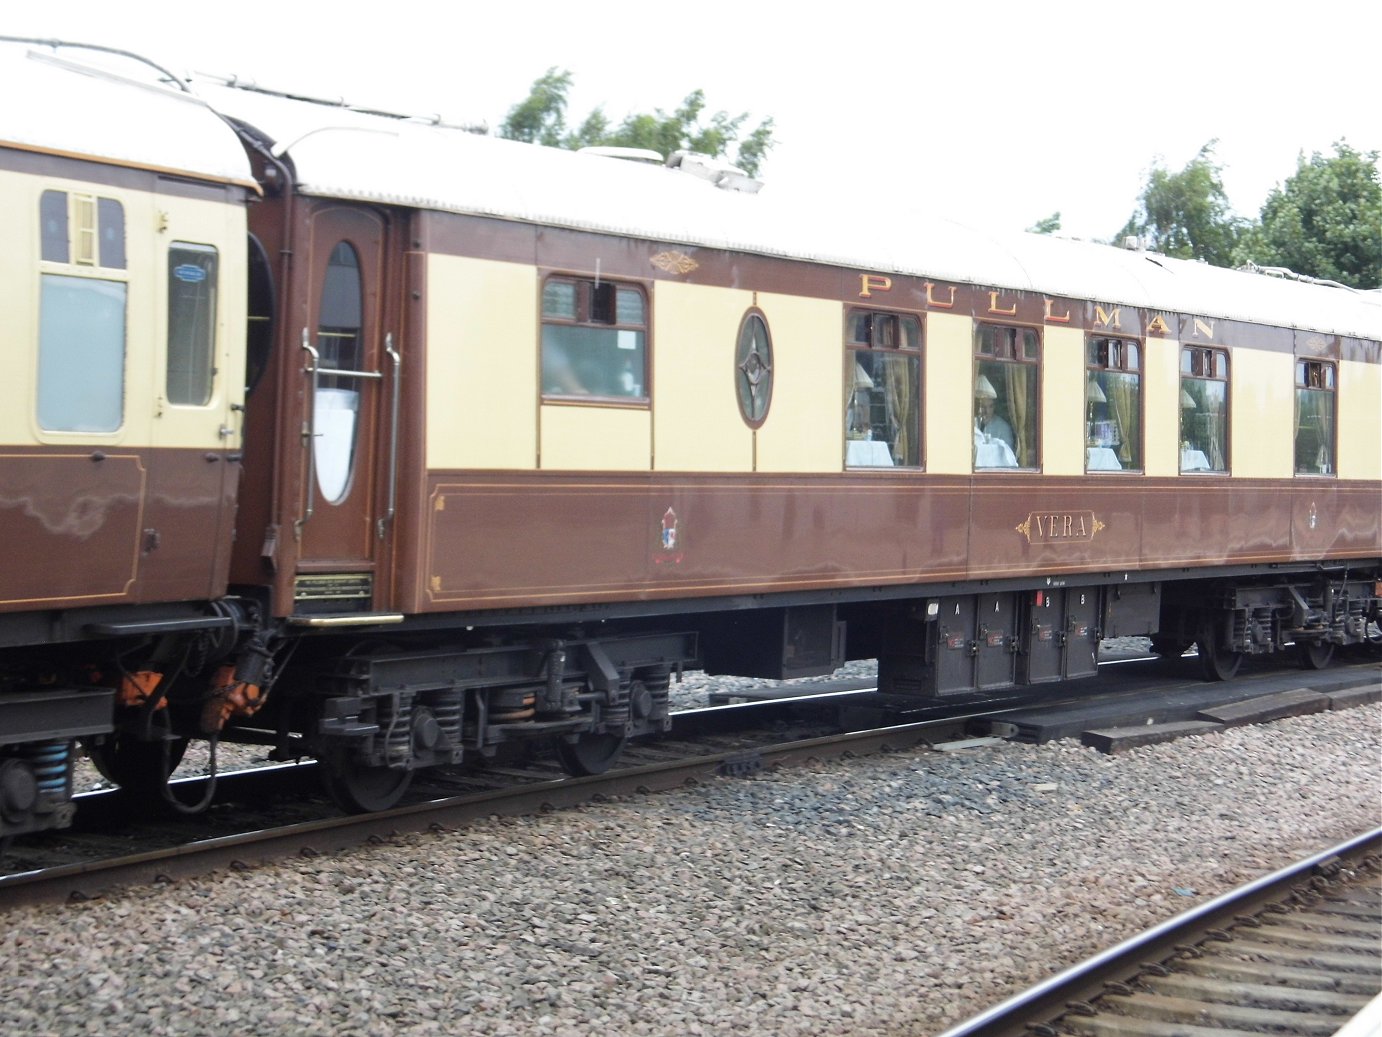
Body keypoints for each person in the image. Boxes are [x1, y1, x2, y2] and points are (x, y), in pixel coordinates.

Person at [974, 375, 1014, 450]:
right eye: (983, 407)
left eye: (990, 406)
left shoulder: (1003, 428)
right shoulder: (972, 424)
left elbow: (1008, 455)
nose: (987, 411)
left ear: (994, 407)